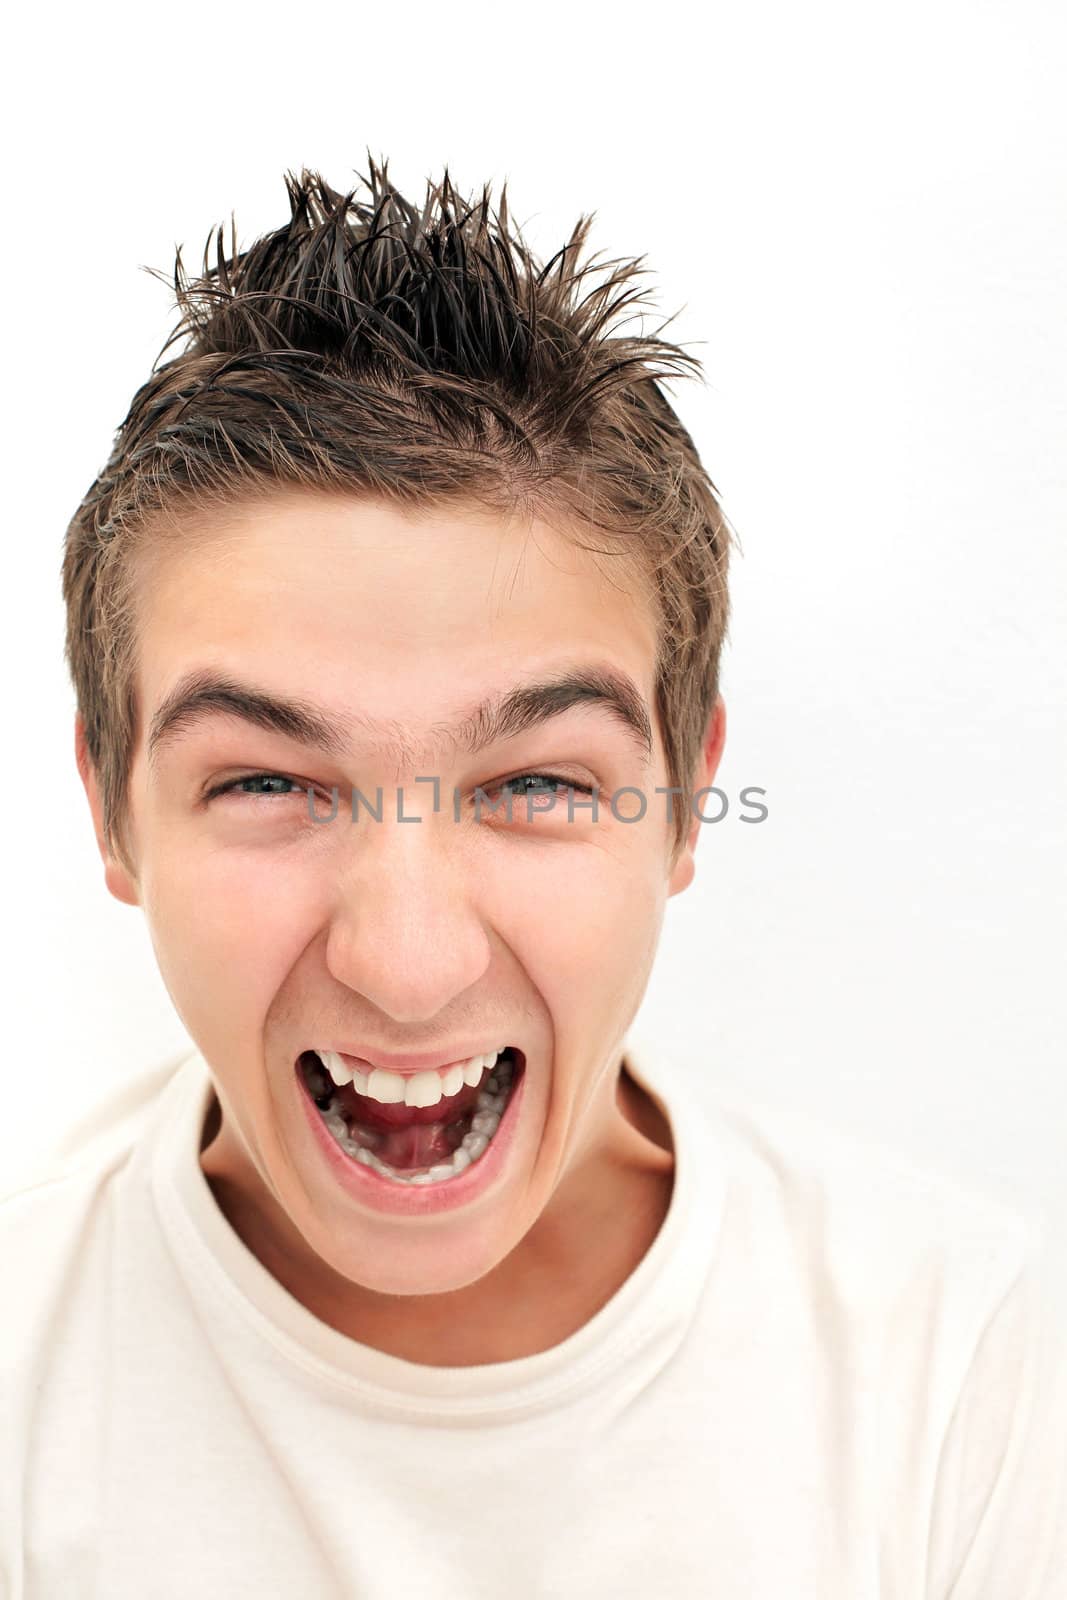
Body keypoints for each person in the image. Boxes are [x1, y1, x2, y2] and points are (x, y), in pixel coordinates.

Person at [2, 157, 1064, 1598]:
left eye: (537, 785)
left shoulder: (966, 1371)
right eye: (265, 782)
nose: (408, 958)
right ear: (111, 813)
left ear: (683, 798)